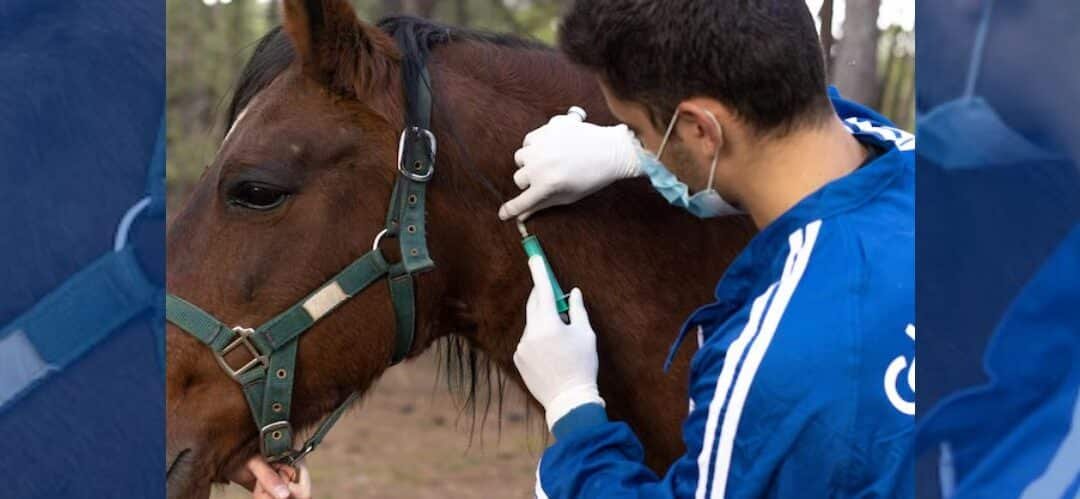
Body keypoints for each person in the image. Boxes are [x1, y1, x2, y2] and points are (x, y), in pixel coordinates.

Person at [507, 0, 915, 497]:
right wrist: (631, 153)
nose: (637, 146)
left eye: (637, 131)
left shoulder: (769, 365)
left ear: (702, 130)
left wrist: (572, 410)